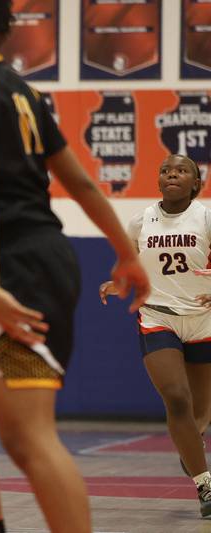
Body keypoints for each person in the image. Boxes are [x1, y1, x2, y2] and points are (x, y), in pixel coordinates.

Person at [0, 2, 150, 533]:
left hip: (19, 268)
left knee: (27, 436)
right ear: (3, 29)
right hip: (33, 261)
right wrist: (125, 251)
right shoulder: (21, 89)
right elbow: (80, 180)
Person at [100, 154, 211, 517]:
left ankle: (192, 448)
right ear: (159, 180)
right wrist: (120, 283)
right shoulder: (141, 220)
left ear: (196, 183)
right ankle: (205, 485)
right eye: (166, 170)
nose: (172, 174)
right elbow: (133, 263)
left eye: (182, 170)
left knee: (200, 415)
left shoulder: (206, 216)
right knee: (176, 398)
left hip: (203, 319)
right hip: (157, 316)